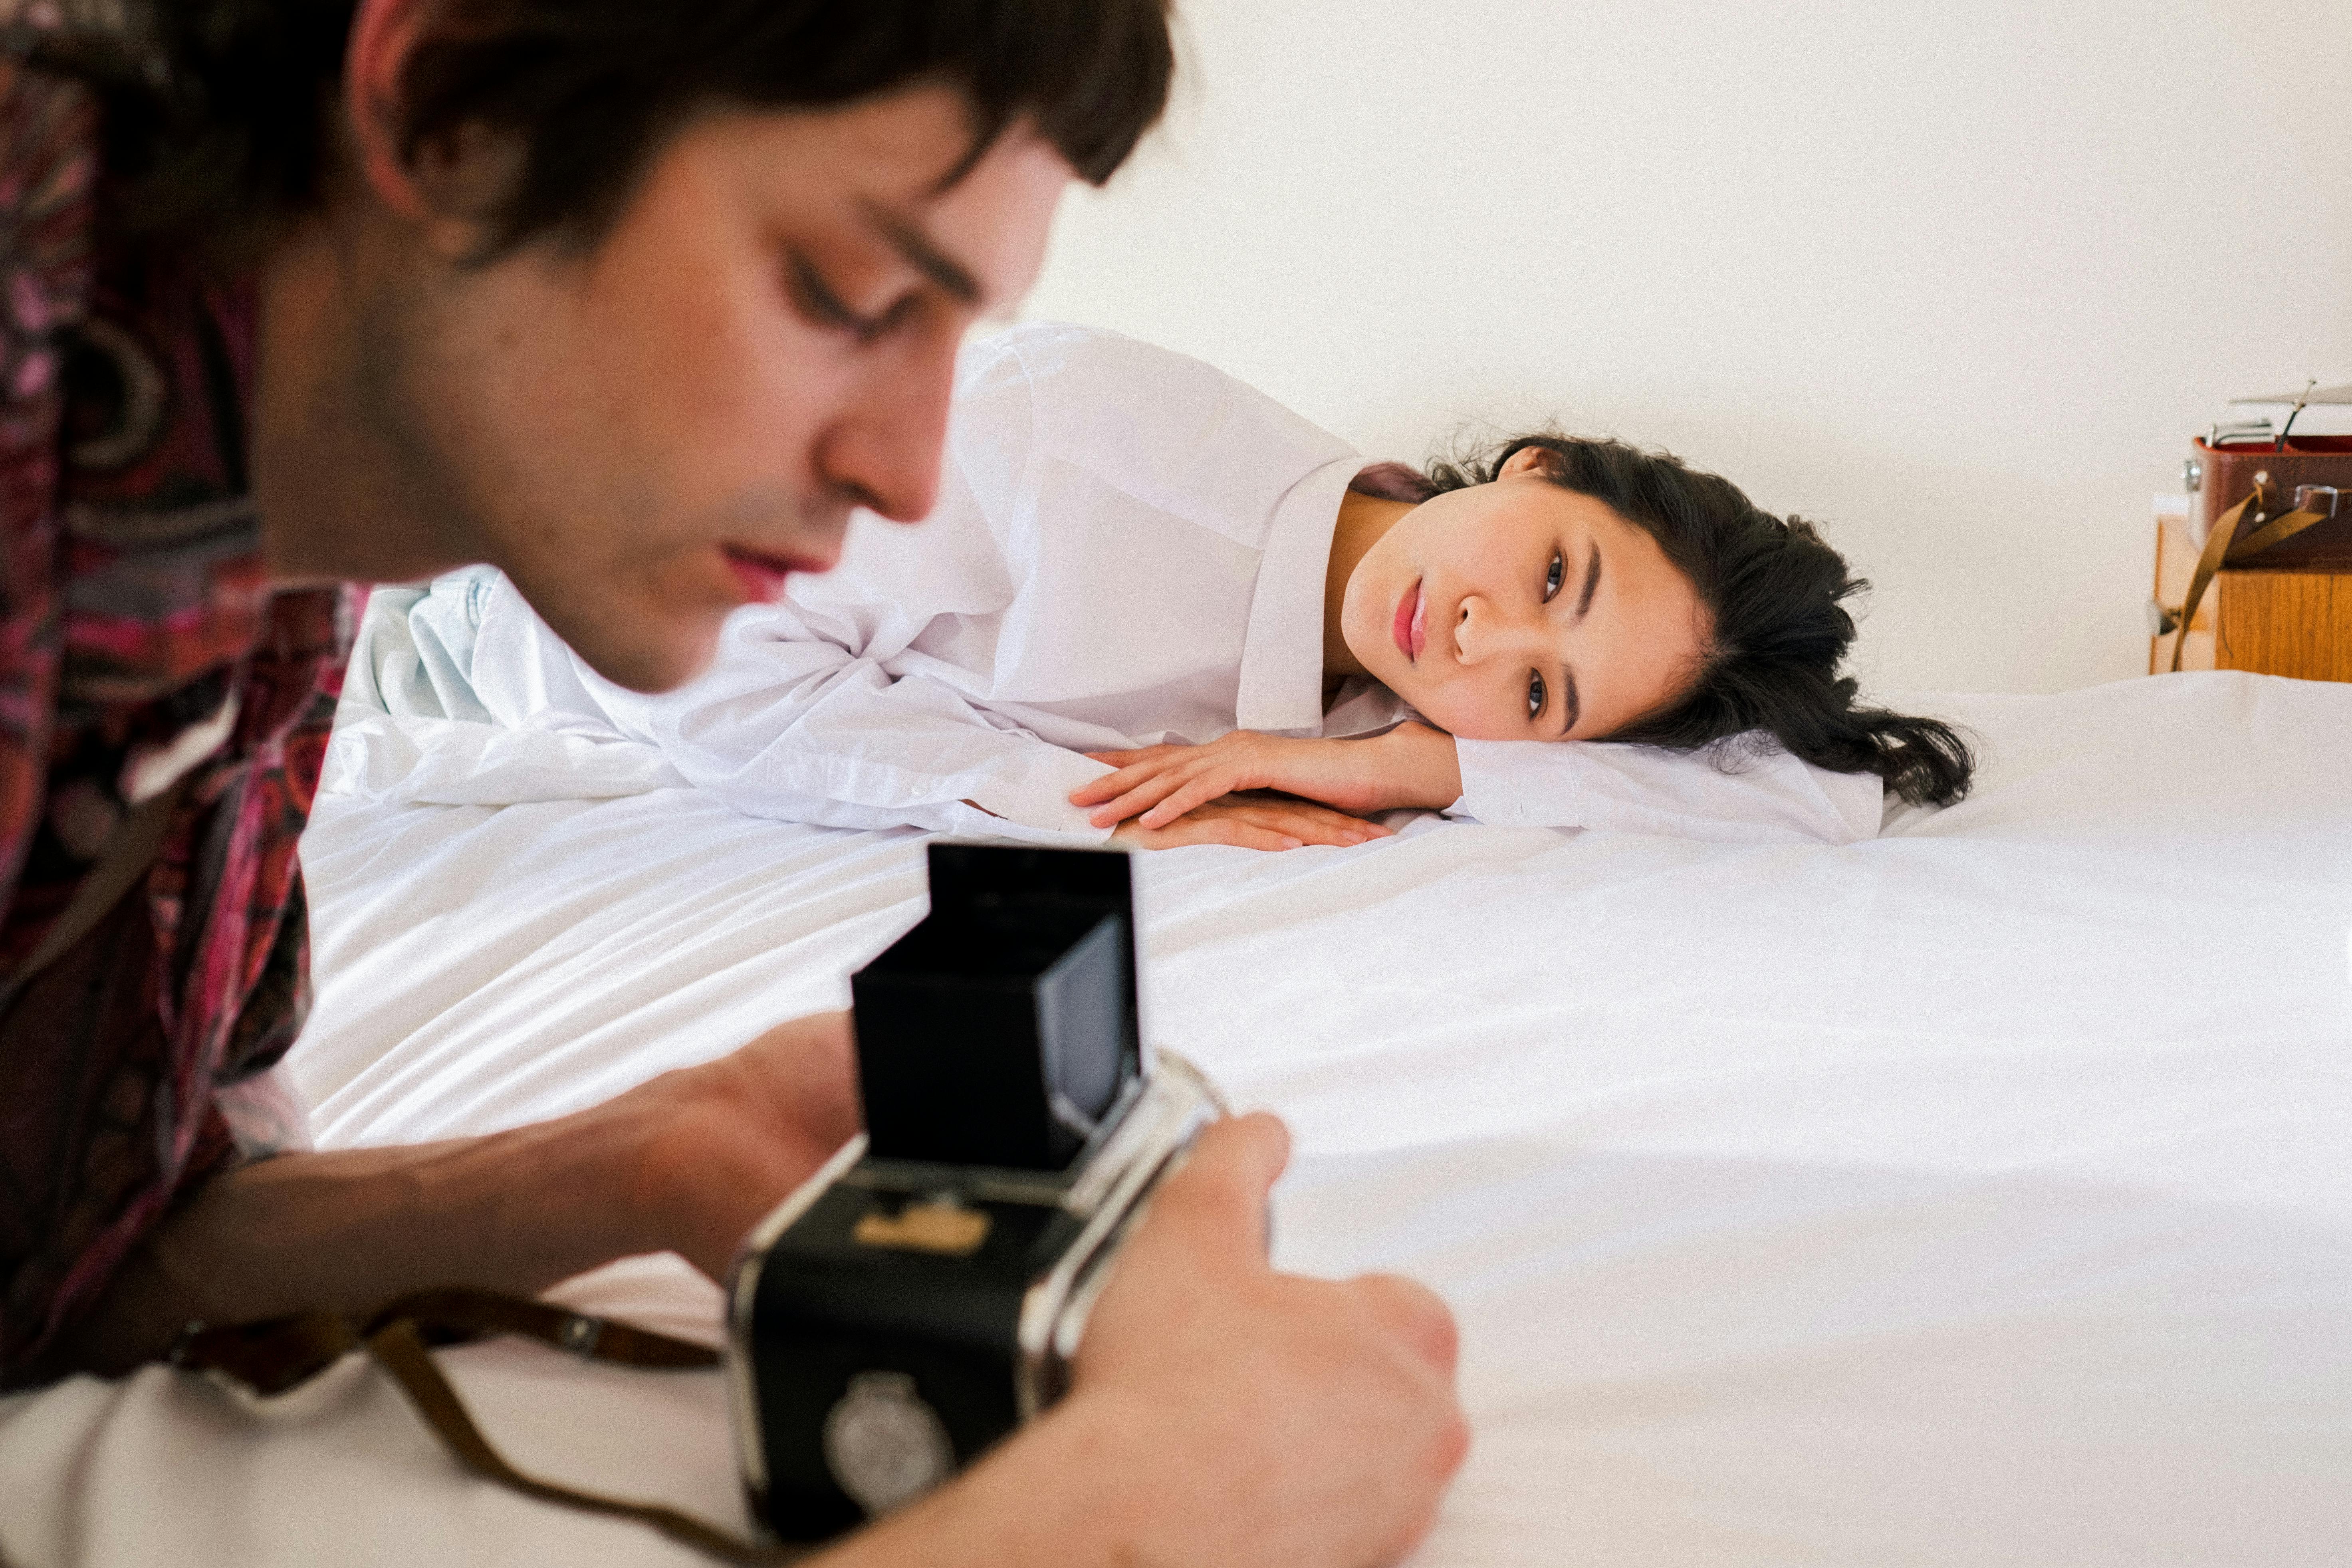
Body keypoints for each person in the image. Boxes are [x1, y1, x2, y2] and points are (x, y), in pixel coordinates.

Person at [0, 4, 1465, 1565]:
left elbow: (68, 1255)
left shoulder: (291, 539)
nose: (906, 472)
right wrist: (1133, 1517)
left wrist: (643, 1154)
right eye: (841, 290)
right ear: (446, 101)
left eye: (951, 335)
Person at [349, 321, 1970, 851]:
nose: (1487, 635)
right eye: (1554, 569)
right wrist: (1100, 803)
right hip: (480, 596)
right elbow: (702, 672)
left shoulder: (1386, 703)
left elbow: (1802, 804)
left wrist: (1420, 764)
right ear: (1536, 466)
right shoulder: (1062, 454)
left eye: (1541, 689)